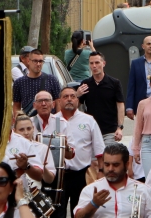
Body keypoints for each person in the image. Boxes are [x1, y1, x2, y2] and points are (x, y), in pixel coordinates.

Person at [74, 143, 151, 218]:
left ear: (127, 165)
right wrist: (93, 204)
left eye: (115, 165)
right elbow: (77, 216)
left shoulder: (144, 190)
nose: (110, 169)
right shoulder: (91, 189)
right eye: (107, 164)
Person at [56, 87, 106, 217]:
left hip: (81, 174)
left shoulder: (88, 120)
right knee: (58, 212)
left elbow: (99, 149)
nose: (69, 99)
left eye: (72, 96)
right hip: (58, 175)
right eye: (65, 97)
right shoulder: (53, 120)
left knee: (79, 212)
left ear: (77, 100)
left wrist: (101, 172)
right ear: (59, 101)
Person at [76, 52, 125, 145]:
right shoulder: (85, 84)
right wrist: (77, 94)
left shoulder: (114, 83)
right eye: (91, 63)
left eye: (97, 62)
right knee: (93, 159)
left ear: (104, 63)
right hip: (91, 130)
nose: (94, 66)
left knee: (109, 158)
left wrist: (120, 127)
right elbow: (76, 106)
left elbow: (120, 105)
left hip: (110, 130)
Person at [13, 49, 62, 115]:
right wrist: (19, 121)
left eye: (40, 61)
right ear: (28, 61)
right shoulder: (19, 83)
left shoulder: (51, 79)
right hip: (29, 122)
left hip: (49, 121)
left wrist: (58, 121)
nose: (38, 64)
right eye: (35, 61)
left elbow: (58, 102)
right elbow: (16, 106)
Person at [14, 112, 57, 185]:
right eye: (21, 130)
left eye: (29, 128)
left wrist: (43, 168)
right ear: (14, 131)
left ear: (33, 128)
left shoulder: (43, 148)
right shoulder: (10, 147)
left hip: (36, 191)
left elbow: (50, 180)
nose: (26, 132)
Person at [126, 36, 151, 119]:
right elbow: (131, 85)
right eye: (148, 44)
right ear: (143, 46)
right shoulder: (136, 63)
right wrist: (129, 106)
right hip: (142, 101)